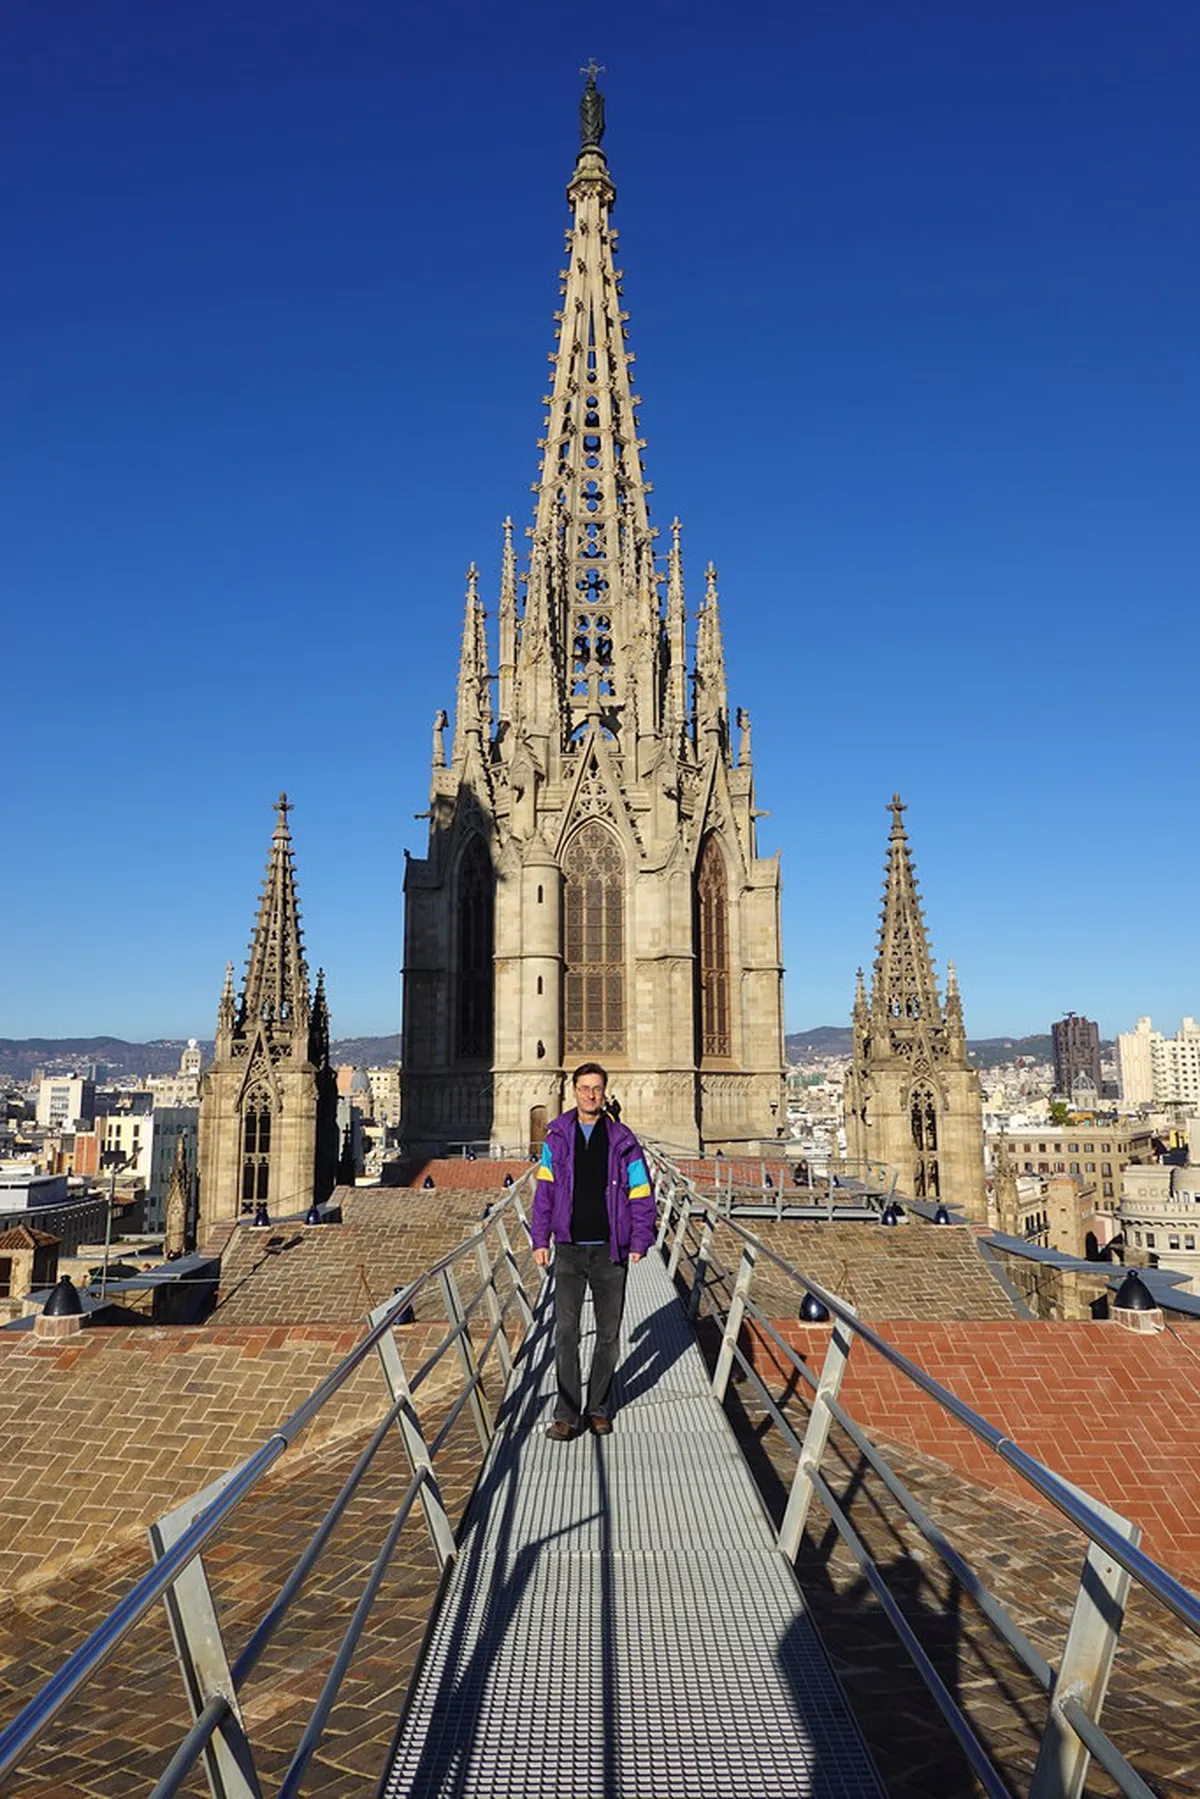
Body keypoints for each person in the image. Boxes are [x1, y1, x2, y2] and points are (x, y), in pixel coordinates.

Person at [532, 1062, 655, 1438]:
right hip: (568, 1249)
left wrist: (640, 1238)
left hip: (610, 1251)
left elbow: (641, 1191)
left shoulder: (623, 1139)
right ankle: (567, 1414)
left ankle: (598, 1407)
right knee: (565, 1333)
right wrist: (540, 1239)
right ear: (574, 1091)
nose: (590, 1094)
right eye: (584, 1088)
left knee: (608, 1335)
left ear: (604, 1093)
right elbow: (545, 1192)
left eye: (596, 1088)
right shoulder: (556, 1137)